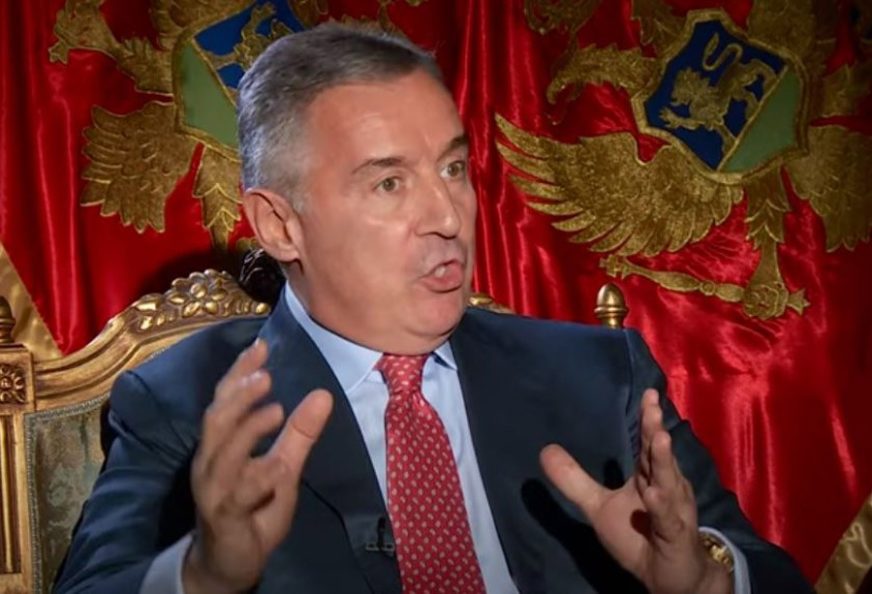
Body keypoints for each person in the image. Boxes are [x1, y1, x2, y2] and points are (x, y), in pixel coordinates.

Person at [54, 23, 813, 594]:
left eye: (453, 168)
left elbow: (770, 573)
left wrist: (704, 579)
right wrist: (203, 577)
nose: (449, 216)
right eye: (389, 183)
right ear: (280, 225)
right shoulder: (184, 401)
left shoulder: (601, 376)